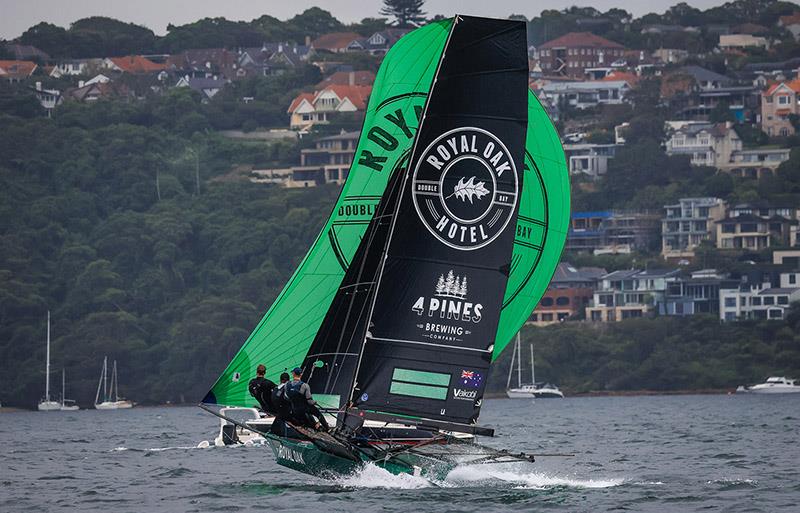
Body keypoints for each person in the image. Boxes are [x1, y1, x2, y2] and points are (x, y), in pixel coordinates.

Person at [284, 367, 329, 431]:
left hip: (294, 410)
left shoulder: (287, 385)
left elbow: (286, 397)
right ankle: (327, 429)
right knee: (318, 413)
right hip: (304, 409)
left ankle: (312, 425)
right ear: (301, 374)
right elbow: (310, 401)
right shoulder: (305, 385)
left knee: (308, 413)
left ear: (293, 374)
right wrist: (314, 402)